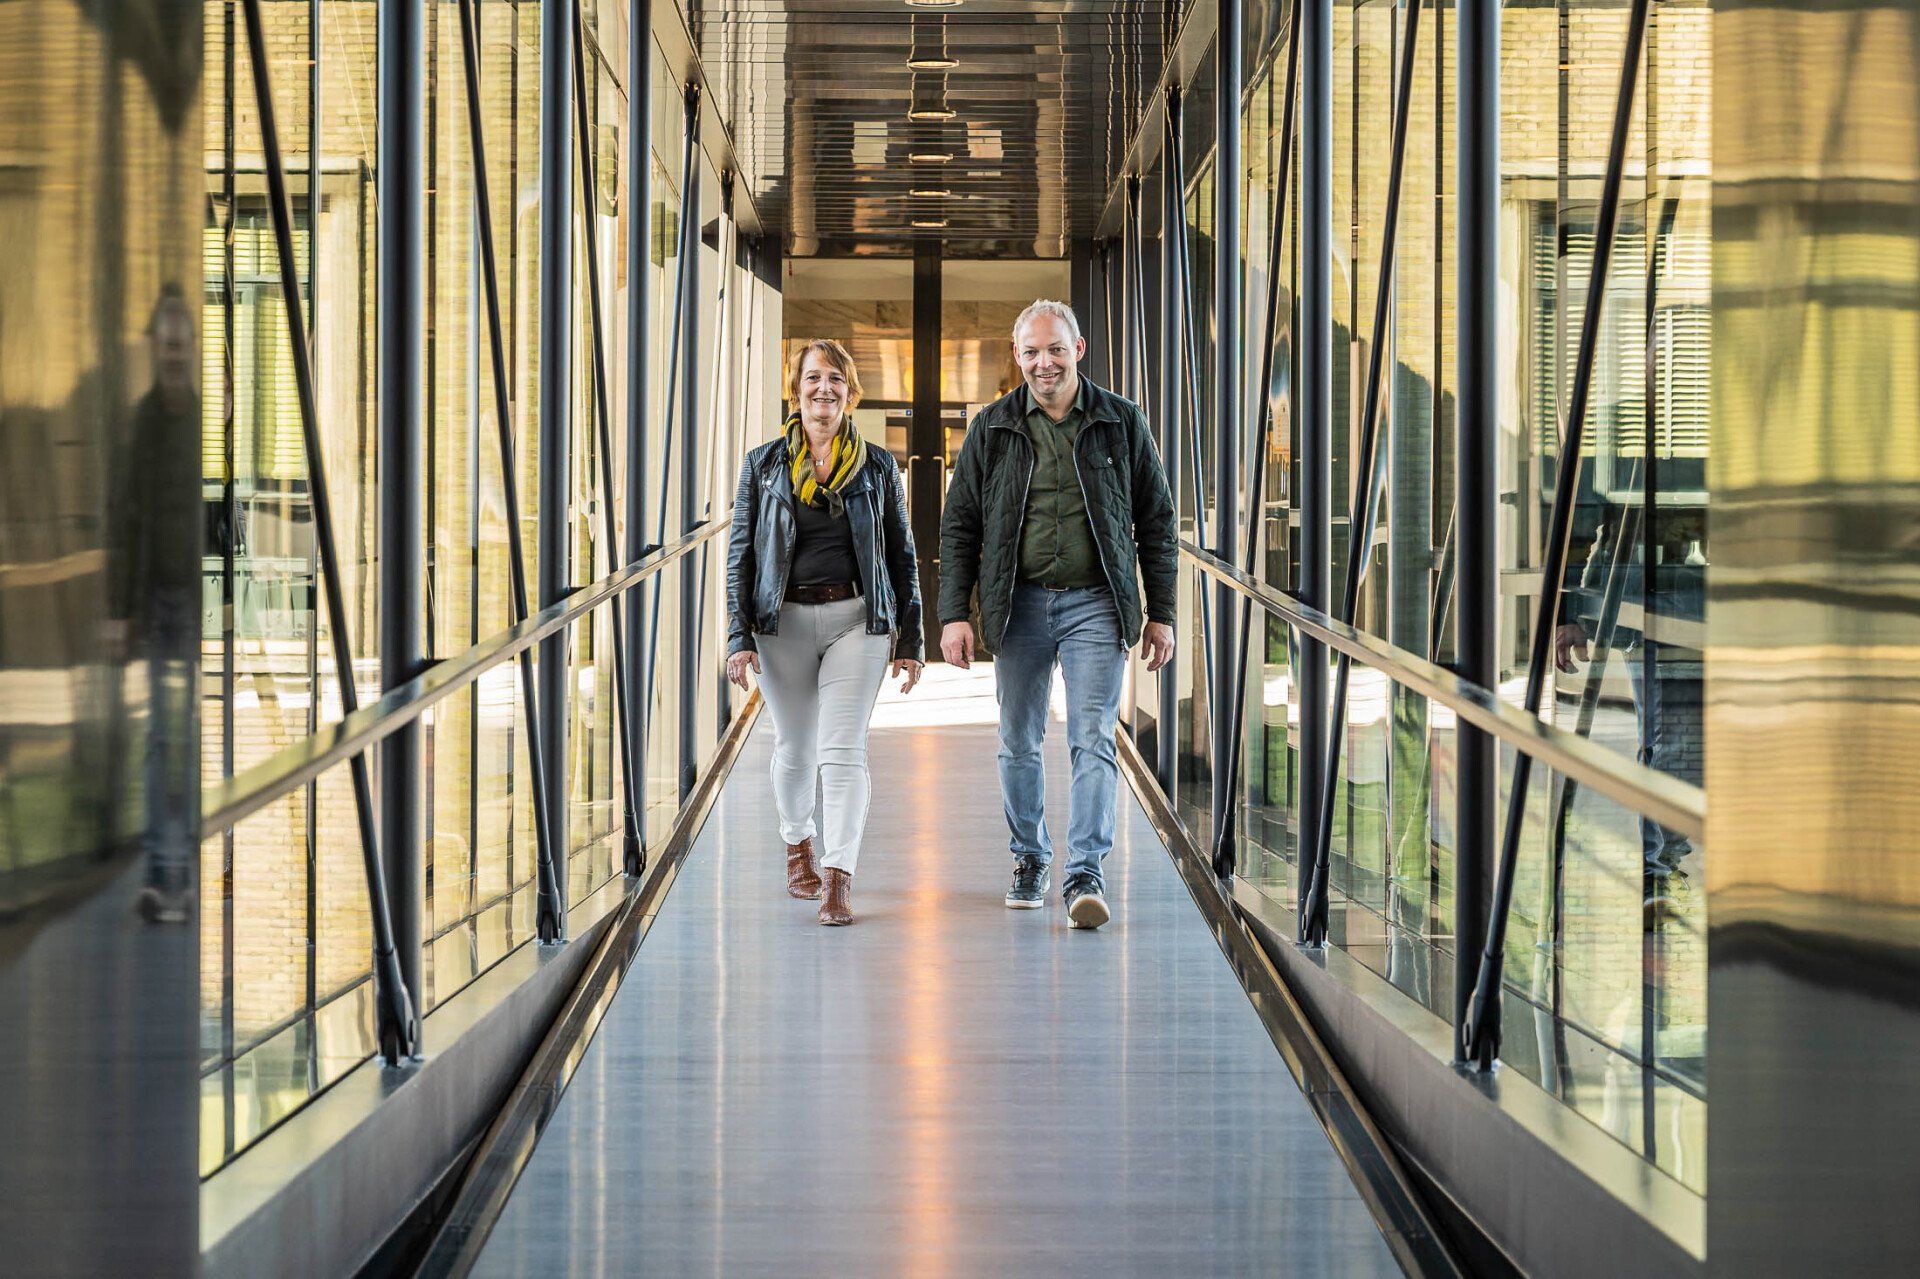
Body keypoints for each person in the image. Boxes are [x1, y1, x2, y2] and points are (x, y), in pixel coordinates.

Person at [938, 300, 1176, 930]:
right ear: (1017, 357)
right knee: (1018, 738)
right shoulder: (991, 428)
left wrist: (1162, 612)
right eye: (1031, 352)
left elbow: (1156, 521)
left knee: (1093, 736)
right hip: (1016, 606)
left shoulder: (1122, 423)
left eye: (1055, 349)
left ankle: (1085, 872)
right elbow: (960, 525)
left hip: (1096, 602)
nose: (1044, 362)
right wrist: (954, 614)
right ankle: (1028, 856)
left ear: (1079, 349)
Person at [725, 339, 924, 926]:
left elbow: (902, 555)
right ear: (796, 390)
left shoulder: (879, 466)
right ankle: (798, 844)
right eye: (813, 378)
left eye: (836, 379)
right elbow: (741, 556)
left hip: (856, 623)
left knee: (841, 754)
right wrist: (738, 636)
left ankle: (839, 875)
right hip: (780, 624)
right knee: (795, 749)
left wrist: (910, 639)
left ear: (851, 393)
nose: (824, 389)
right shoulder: (762, 466)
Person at [107, 286, 203, 924]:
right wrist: (121, 612)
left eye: (181, 347)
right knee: (158, 737)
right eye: (166, 347)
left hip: (190, 602)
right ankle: (161, 874)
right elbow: (130, 516)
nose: (174, 357)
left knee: (182, 735)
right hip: (156, 600)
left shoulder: (198, 418)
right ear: (157, 350)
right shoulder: (146, 422)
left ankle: (176, 875)